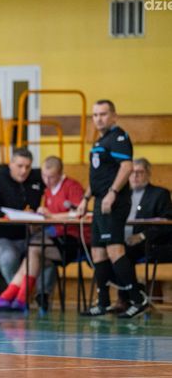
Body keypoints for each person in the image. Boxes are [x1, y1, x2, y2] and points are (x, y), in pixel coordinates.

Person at [0, 156, 87, 311]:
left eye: (51, 177)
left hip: (74, 240)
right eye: (44, 176)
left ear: (60, 174)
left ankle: (14, 298)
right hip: (56, 238)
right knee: (32, 255)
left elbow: (80, 214)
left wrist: (51, 216)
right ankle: (16, 299)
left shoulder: (72, 186)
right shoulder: (48, 190)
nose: (47, 180)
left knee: (34, 247)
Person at [77, 99, 148, 318]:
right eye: (95, 115)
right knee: (98, 252)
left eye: (103, 114)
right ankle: (103, 302)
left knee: (115, 250)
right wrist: (85, 198)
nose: (99, 119)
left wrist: (113, 193)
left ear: (114, 116)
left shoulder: (119, 137)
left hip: (113, 202)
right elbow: (98, 175)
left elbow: (126, 167)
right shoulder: (101, 140)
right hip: (100, 201)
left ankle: (137, 299)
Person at [0, 148, 56, 305]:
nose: (24, 171)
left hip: (31, 235)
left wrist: (41, 213)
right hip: (3, 237)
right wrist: (18, 215)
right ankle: (17, 296)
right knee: (9, 257)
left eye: (27, 167)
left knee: (48, 254)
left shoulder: (38, 176)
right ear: (10, 164)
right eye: (19, 166)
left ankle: (42, 297)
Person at [113, 158, 172, 310]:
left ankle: (127, 298)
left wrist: (142, 236)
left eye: (140, 172)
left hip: (149, 243)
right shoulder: (121, 195)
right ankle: (128, 292)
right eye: (132, 173)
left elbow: (166, 224)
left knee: (122, 253)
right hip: (121, 239)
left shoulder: (160, 194)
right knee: (104, 251)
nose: (135, 176)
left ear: (148, 174)